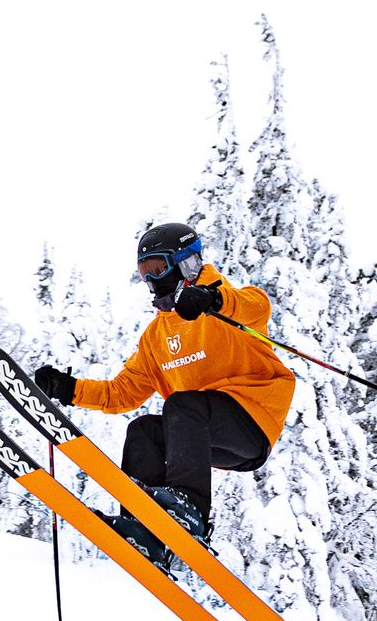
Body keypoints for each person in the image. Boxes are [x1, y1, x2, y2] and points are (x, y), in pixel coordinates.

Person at [34, 222, 296, 567]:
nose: (152, 280)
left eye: (158, 268)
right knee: (143, 430)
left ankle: (190, 513)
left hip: (252, 424)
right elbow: (121, 393)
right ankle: (144, 530)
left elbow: (256, 306)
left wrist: (212, 298)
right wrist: (69, 390)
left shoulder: (225, 305)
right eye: (144, 273)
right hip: (203, 435)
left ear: (187, 263)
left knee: (182, 406)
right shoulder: (157, 337)